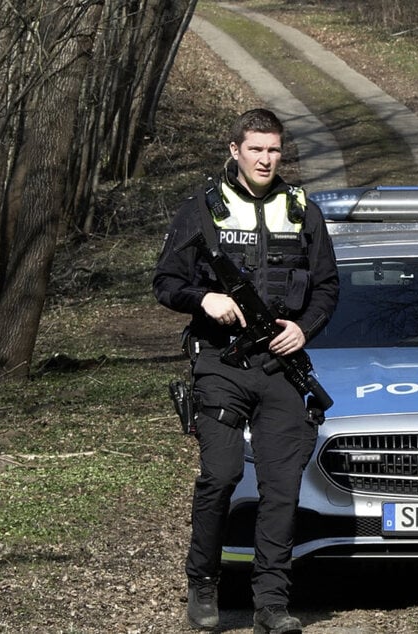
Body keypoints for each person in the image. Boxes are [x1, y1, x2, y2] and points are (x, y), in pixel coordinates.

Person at [154, 108, 338, 634]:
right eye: (255, 148)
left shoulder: (303, 210)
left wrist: (306, 329)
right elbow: (166, 282)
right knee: (223, 474)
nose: (265, 158)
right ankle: (203, 582)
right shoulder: (202, 209)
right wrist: (204, 297)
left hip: (282, 365)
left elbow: (327, 287)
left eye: (274, 149)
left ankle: (272, 604)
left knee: (281, 487)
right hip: (219, 363)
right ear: (234, 150)